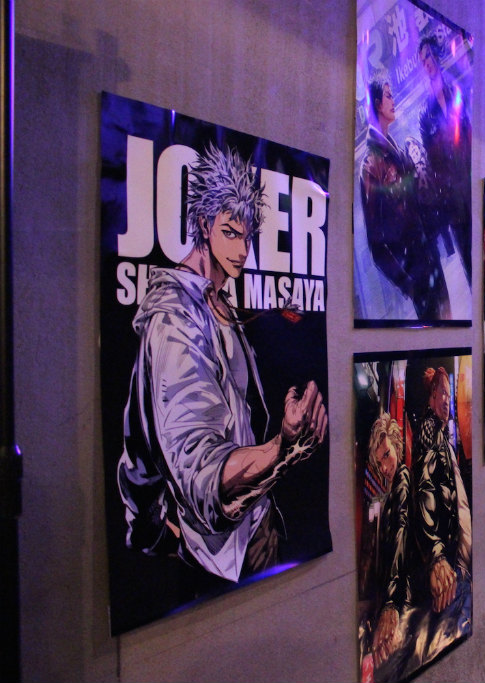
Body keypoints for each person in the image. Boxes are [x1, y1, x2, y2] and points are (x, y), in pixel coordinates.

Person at [117, 143, 328, 583]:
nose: (242, 250)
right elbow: (202, 472)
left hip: (256, 527)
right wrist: (281, 449)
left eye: (247, 237)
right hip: (218, 559)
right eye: (230, 233)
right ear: (202, 224)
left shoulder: (217, 301)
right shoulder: (175, 320)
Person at [360, 77, 449, 320]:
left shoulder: (397, 151)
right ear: (377, 103)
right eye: (388, 96)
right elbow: (376, 244)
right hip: (417, 273)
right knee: (435, 337)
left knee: (451, 327)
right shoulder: (371, 166)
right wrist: (408, 283)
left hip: (431, 260)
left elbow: (417, 205)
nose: (393, 101)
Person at [409, 367, 472, 663]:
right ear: (432, 396)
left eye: (449, 394)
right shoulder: (429, 430)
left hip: (454, 562)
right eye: (443, 393)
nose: (447, 400)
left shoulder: (442, 435)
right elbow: (424, 488)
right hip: (446, 569)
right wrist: (436, 555)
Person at [358, 413, 411, 679]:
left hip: (401, 594)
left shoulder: (402, 478)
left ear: (397, 448)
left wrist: (390, 602)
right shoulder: (389, 491)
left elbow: (401, 532)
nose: (385, 466)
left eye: (387, 455)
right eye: (380, 461)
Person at [417, 36, 472, 273]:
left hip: (473, 187)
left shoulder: (458, 92)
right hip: (454, 203)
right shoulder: (425, 115)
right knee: (470, 263)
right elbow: (431, 165)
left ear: (437, 56)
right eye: (423, 61)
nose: (427, 63)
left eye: (429, 56)